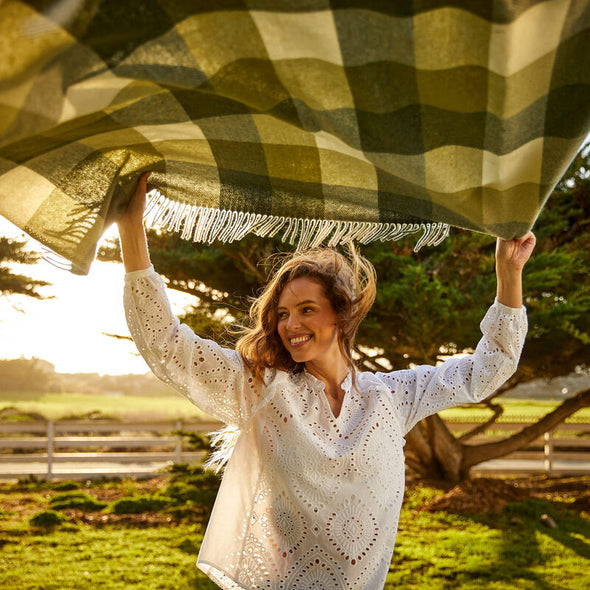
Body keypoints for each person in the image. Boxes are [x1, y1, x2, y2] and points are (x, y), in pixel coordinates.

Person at [118, 172, 536, 590]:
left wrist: (508, 272)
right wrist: (131, 227)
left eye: (306, 310)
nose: (290, 325)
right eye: (281, 314)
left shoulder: (392, 396)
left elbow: (488, 369)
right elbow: (166, 344)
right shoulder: (263, 390)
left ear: (341, 314)